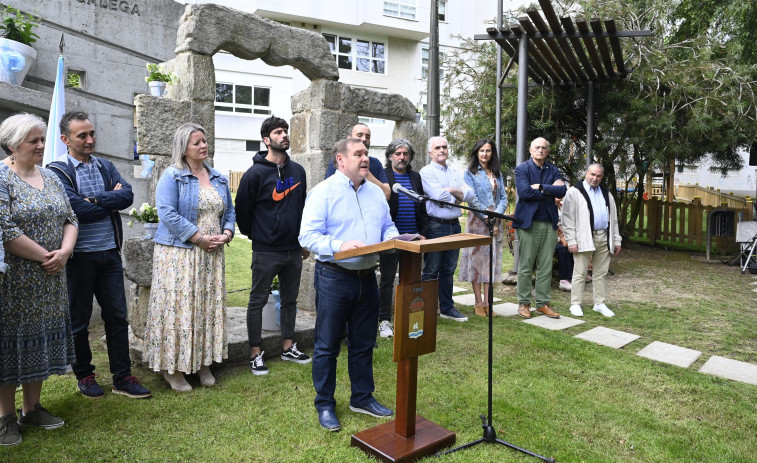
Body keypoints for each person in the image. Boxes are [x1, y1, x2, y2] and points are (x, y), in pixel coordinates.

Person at [48, 111, 151, 399]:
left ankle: (122, 377)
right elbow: (76, 210)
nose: (90, 139)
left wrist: (94, 200)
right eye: (83, 135)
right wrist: (108, 201)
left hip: (109, 254)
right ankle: (85, 375)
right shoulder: (57, 171)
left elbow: (128, 196)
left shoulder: (105, 166)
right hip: (78, 257)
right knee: (79, 320)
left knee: (118, 317)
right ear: (65, 139)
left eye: (92, 133)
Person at [299, 138, 399, 432]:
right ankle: (325, 404)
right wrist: (341, 245)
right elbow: (308, 237)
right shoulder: (323, 192)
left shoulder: (376, 194)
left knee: (364, 343)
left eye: (366, 153)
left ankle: (362, 398)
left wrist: (395, 238)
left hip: (368, 277)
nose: (365, 158)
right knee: (328, 346)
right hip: (334, 277)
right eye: (358, 154)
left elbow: (387, 225)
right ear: (341, 160)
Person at [0, 113, 78, 446]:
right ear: (13, 145)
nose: (42, 146)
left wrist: (64, 252)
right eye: (34, 140)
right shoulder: (2, 177)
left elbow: (70, 218)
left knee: (41, 341)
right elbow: (5, 229)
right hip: (15, 283)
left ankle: (31, 409)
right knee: (9, 346)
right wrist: (47, 256)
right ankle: (4, 417)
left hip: (52, 279)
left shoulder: (51, 176)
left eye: (42, 139)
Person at [143, 123, 236, 392]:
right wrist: (199, 238)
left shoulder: (217, 177)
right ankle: (174, 369)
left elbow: (228, 211)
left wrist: (227, 234)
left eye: (205, 141)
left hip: (212, 254)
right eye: (197, 143)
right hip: (180, 254)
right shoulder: (173, 176)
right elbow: (167, 213)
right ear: (183, 148)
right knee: (179, 309)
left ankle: (202, 363)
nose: (203, 145)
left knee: (206, 307)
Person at [235, 116, 311, 375]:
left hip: (293, 250)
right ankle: (255, 353)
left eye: (286, 131)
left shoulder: (298, 172)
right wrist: (260, 237)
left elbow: (302, 209)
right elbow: (243, 214)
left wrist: (302, 240)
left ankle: (289, 346)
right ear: (267, 140)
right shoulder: (254, 174)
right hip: (266, 250)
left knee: (290, 300)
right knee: (257, 301)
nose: (284, 135)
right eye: (278, 132)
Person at [420, 136, 474, 322]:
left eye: (444, 147)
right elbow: (438, 196)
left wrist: (451, 190)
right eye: (437, 148)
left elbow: (471, 194)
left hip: (454, 226)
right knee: (431, 269)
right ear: (430, 152)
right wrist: (455, 193)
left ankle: (447, 308)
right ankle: (426, 309)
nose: (442, 150)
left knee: (449, 269)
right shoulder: (426, 172)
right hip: (436, 225)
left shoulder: (454, 171)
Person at [377, 138, 427, 338]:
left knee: (412, 280)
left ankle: (409, 316)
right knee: (387, 280)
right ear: (390, 156)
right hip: (392, 238)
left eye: (405, 154)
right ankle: (384, 320)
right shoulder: (384, 176)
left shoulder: (415, 177)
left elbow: (422, 207)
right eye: (397, 154)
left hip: (414, 239)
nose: (402, 157)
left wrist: (423, 232)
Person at [513, 137, 566, 319]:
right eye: (537, 147)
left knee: (546, 266)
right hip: (529, 223)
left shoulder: (554, 170)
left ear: (548, 151)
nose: (540, 150)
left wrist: (542, 187)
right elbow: (525, 192)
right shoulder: (522, 169)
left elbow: (562, 191)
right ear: (530, 149)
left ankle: (543, 304)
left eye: (544, 148)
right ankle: (524, 303)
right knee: (526, 265)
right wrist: (550, 193)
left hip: (549, 223)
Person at [562, 163, 622, 317]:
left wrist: (616, 240)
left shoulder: (606, 192)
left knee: (600, 273)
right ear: (586, 173)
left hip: (604, 236)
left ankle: (599, 303)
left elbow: (613, 218)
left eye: (598, 176)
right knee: (579, 272)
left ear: (602, 177)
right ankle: (575, 304)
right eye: (592, 174)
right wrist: (571, 240)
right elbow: (567, 219)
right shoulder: (574, 192)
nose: (595, 178)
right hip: (584, 237)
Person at [459, 139, 508, 317]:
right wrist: (488, 217)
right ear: (476, 153)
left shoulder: (497, 173)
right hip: (477, 223)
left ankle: (488, 302)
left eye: (488, 151)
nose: (485, 154)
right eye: (481, 151)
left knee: (491, 262)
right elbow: (472, 199)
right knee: (477, 263)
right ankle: (478, 302)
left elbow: (503, 197)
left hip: (495, 223)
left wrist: (495, 217)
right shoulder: (470, 173)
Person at [324, 123, 391, 200]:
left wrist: (364, 171)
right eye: (359, 135)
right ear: (349, 139)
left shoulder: (375, 163)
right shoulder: (339, 162)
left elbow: (386, 194)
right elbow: (329, 192)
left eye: (367, 136)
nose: (364, 139)